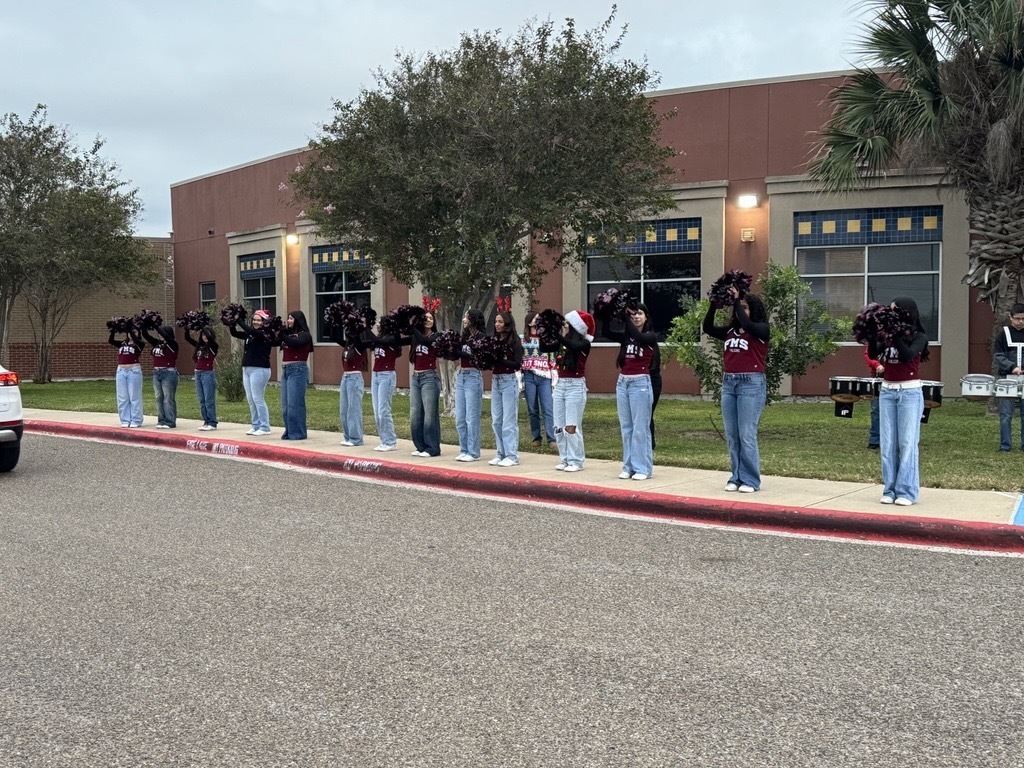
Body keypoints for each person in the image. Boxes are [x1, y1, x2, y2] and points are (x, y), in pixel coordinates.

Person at [703, 287, 770, 493]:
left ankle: (751, 480)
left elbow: (748, 324)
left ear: (754, 310)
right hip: (729, 384)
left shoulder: (761, 329)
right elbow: (707, 328)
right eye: (738, 308)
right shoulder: (730, 332)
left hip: (751, 383)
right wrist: (714, 304)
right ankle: (736, 477)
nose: (740, 311)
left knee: (746, 434)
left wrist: (738, 299)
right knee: (732, 434)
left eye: (745, 308)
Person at [868, 296, 929, 506]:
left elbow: (906, 356)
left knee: (907, 442)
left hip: (909, 393)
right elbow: (873, 352)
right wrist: (873, 331)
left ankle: (907, 491)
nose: (891, 315)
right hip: (887, 391)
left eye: (895, 311)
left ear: (907, 313)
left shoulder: (920, 336)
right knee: (888, 443)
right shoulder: (888, 336)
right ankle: (890, 488)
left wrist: (896, 337)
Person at [602, 303, 658, 481]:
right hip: (623, 383)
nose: (635, 316)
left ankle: (643, 468)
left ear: (646, 317)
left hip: (640, 383)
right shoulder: (626, 338)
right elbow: (606, 332)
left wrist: (625, 316)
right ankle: (628, 466)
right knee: (627, 428)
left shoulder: (650, 336)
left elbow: (637, 335)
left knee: (640, 428)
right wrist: (606, 313)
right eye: (633, 314)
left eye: (639, 313)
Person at [544, 310, 593, 472]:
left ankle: (576, 460)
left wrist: (557, 335)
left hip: (575, 385)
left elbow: (574, 346)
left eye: (567, 323)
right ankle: (565, 458)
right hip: (560, 384)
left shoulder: (584, 343)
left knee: (571, 426)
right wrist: (543, 331)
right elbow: (544, 347)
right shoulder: (563, 343)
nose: (564, 326)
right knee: (558, 425)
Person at [362, 321, 407, 452]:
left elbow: (376, 339)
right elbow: (368, 342)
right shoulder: (379, 340)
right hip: (375, 375)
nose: (377, 325)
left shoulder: (391, 339)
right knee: (376, 411)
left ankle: (390, 441)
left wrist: (365, 326)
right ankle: (384, 440)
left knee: (383, 409)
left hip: (386, 375)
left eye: (380, 322)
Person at [229, 308, 274, 436]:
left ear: (264, 321)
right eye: (254, 320)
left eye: (259, 320)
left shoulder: (265, 334)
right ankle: (255, 425)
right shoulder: (250, 334)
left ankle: (265, 427)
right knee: (250, 399)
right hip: (247, 368)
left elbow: (250, 331)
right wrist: (231, 322)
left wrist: (238, 319)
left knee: (257, 398)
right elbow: (235, 333)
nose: (255, 322)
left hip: (260, 369)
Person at [489, 311, 524, 467]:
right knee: (496, 420)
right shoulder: (494, 340)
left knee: (508, 421)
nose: (497, 324)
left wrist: (501, 360)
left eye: (500, 322)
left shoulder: (515, 342)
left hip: (509, 381)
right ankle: (500, 453)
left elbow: (517, 364)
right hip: (495, 381)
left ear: (507, 324)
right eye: (496, 321)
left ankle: (511, 455)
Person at [330, 320, 369, 447]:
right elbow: (333, 336)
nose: (347, 332)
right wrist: (334, 320)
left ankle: (356, 438)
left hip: (355, 377)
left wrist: (356, 326)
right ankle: (347, 437)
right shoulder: (347, 345)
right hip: (345, 377)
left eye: (349, 330)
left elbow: (357, 337)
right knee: (344, 409)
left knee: (353, 409)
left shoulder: (359, 346)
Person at [455, 309, 486, 462]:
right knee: (460, 417)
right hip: (461, 376)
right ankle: (464, 449)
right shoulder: (465, 337)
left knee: (471, 417)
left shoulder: (481, 337)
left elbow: (479, 359)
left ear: (474, 319)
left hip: (474, 376)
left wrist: (464, 354)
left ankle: (473, 452)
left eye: (466, 317)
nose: (464, 320)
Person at [521, 312, 557, 448]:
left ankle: (551, 438)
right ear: (530, 322)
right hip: (529, 376)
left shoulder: (547, 338)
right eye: (537, 319)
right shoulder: (522, 339)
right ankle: (536, 437)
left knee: (547, 408)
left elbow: (552, 358)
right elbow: (520, 358)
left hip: (544, 377)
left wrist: (554, 378)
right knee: (532, 409)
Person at [409, 311, 441, 457]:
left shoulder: (435, 337)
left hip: (429, 377)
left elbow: (426, 342)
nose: (428, 320)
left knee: (430, 414)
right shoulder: (416, 337)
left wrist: (413, 328)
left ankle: (432, 448)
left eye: (431, 318)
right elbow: (397, 340)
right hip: (416, 377)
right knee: (415, 413)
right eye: (425, 318)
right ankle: (420, 446)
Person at [993, 302, 1024, 451]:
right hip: (1007, 378)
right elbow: (998, 356)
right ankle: (1005, 446)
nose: (1021, 322)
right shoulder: (1003, 334)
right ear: (1011, 317)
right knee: (1006, 414)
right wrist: (1012, 367)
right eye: (1018, 319)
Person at [278, 310, 313, 440]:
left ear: (298, 320)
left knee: (295, 404)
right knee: (286, 406)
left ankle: (298, 433)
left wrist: (281, 333)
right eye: (288, 318)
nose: (288, 321)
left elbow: (294, 344)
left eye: (291, 318)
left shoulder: (305, 335)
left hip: (298, 370)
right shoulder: (287, 334)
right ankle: (289, 431)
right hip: (286, 371)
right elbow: (274, 341)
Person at [141, 325, 179, 429]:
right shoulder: (157, 343)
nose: (160, 335)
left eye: (162, 333)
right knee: (159, 397)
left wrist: (155, 325)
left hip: (169, 373)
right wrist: (144, 324)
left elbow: (165, 336)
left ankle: (170, 421)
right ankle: (161, 420)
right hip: (157, 372)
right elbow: (145, 335)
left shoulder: (173, 344)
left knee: (168, 398)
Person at [109, 325, 145, 428]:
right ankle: (125, 419)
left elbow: (136, 339)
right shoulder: (122, 343)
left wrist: (131, 329)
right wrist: (113, 330)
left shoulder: (139, 344)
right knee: (122, 397)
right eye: (130, 331)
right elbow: (111, 341)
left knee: (134, 397)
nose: (131, 333)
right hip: (121, 371)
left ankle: (136, 420)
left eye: (134, 331)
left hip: (133, 371)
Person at [184, 325, 219, 431]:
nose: (204, 337)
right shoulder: (199, 346)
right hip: (198, 374)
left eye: (206, 335)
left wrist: (202, 325)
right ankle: (206, 421)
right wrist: (187, 328)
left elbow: (210, 338)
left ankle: (212, 422)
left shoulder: (213, 346)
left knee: (209, 399)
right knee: (202, 399)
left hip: (207, 374)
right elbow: (187, 338)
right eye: (203, 335)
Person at [863, 344, 882, 450]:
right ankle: (875, 439)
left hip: (896, 380)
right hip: (877, 380)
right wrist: (877, 365)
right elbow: (868, 355)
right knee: (876, 410)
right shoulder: (876, 340)